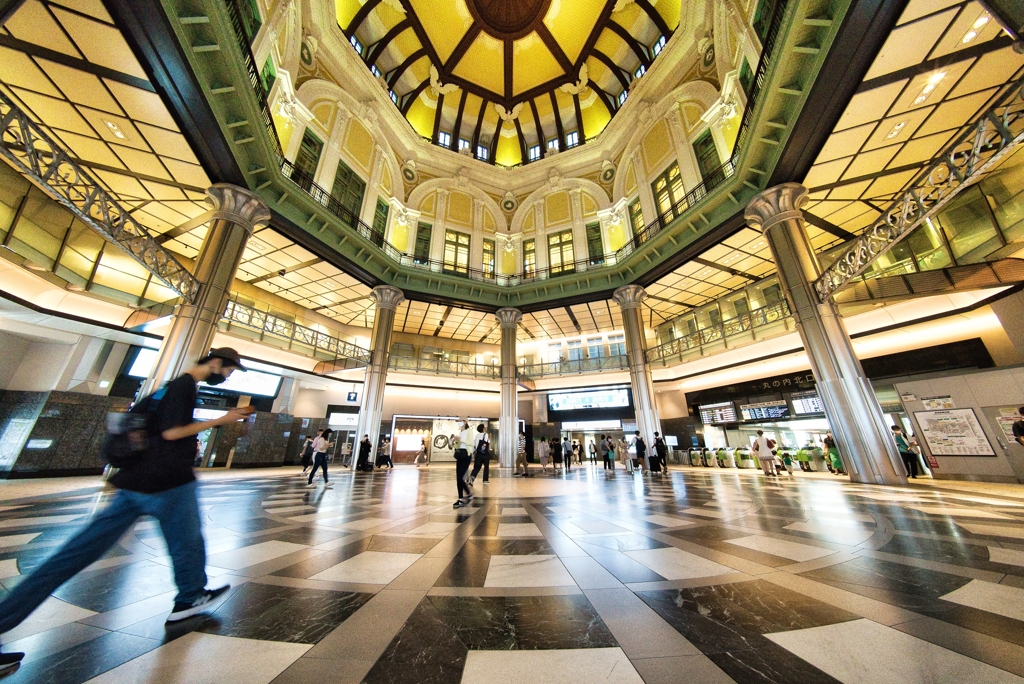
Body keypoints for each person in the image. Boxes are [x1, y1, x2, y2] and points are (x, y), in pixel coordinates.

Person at [0, 347, 253, 672]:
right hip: (167, 483)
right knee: (188, 542)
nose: (228, 376)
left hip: (133, 483)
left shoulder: (167, 386)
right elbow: (170, 432)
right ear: (217, 363)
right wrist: (223, 419)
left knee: (73, 555)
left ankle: (190, 595)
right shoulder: (184, 386)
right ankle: (190, 596)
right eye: (229, 370)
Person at [453, 421, 474, 507]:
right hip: (459, 454)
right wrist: (454, 443)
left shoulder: (469, 431)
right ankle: (461, 497)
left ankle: (467, 494)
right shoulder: (460, 432)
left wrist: (461, 439)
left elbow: (471, 443)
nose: (458, 423)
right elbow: (458, 446)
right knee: (458, 477)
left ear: (465, 422)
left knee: (460, 477)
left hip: (466, 454)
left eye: (460, 421)